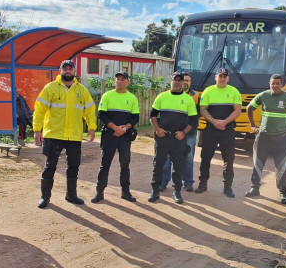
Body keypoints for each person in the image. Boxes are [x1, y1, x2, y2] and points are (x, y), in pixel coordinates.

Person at [33, 60, 97, 209]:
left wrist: (92, 128)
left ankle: (71, 195)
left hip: (74, 135)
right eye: (65, 69)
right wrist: (37, 129)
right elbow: (39, 110)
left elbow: (89, 110)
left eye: (70, 69)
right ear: (60, 70)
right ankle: (45, 197)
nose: (67, 71)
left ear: (74, 71)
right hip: (53, 134)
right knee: (50, 166)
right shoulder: (50, 88)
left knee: (74, 165)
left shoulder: (82, 90)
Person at [247, 74, 286, 204]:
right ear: (269, 84)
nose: (275, 86)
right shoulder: (263, 96)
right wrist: (253, 125)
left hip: (281, 138)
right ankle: (254, 188)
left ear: (281, 85)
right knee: (257, 163)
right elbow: (249, 108)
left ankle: (283, 192)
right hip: (263, 137)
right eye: (273, 83)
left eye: (278, 84)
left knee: (282, 166)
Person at [149, 72, 198, 204]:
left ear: (183, 83)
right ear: (170, 81)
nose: (177, 83)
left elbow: (194, 121)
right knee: (158, 164)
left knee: (178, 166)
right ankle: (155, 191)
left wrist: (184, 132)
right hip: (162, 137)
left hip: (178, 139)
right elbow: (152, 115)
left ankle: (177, 192)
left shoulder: (189, 99)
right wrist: (157, 129)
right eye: (175, 80)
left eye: (180, 81)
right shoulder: (162, 97)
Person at [92, 72, 139, 203]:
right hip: (109, 135)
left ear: (128, 82)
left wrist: (123, 129)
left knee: (125, 164)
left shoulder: (132, 98)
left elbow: (135, 118)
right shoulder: (107, 95)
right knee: (105, 164)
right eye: (117, 79)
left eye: (123, 79)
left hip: (124, 137)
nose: (120, 81)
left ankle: (125, 192)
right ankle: (99, 192)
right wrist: (115, 128)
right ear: (114, 81)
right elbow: (101, 115)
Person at [196, 68, 242, 197]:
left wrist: (224, 122)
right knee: (205, 158)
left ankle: (228, 187)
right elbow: (203, 109)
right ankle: (203, 183)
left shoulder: (233, 91)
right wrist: (214, 121)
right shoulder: (208, 91)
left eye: (224, 76)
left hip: (227, 130)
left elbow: (237, 111)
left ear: (228, 78)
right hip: (210, 129)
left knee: (228, 159)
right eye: (220, 76)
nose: (222, 78)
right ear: (215, 77)